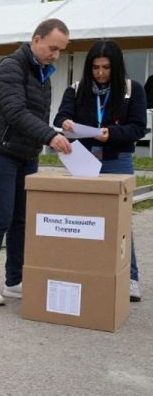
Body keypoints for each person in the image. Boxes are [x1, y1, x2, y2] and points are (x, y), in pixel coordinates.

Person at [0, 18, 72, 306]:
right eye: (52, 48)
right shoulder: (11, 67)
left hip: (26, 153)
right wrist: (49, 136)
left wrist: (56, 130)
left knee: (21, 220)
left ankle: (15, 280)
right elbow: (15, 112)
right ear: (36, 39)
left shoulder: (44, 73)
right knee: (1, 216)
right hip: (0, 149)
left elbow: (40, 115)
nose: (55, 55)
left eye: (60, 51)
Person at [54, 40, 144, 302]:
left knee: (120, 221)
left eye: (106, 67)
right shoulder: (76, 89)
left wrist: (111, 134)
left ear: (116, 68)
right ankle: (88, 272)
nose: (101, 73)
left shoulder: (131, 90)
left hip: (117, 159)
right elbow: (60, 118)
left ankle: (131, 278)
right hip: (83, 159)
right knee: (83, 219)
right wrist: (66, 123)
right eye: (95, 67)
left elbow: (138, 128)